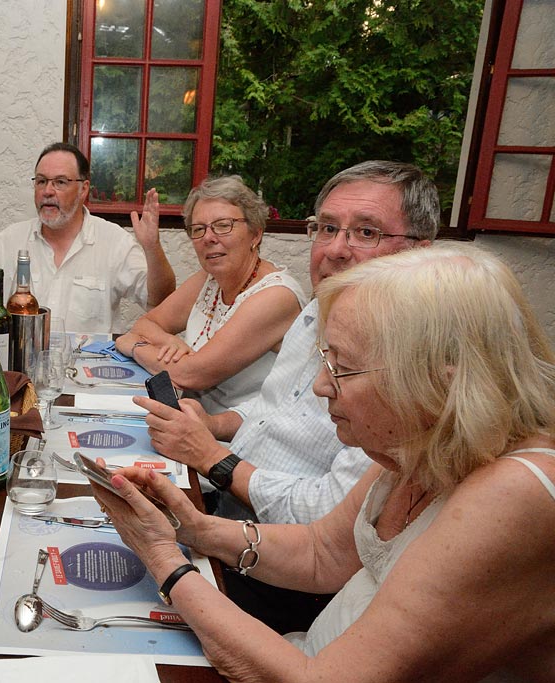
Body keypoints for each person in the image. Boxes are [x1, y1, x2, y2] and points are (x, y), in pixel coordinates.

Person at [89, 242, 555, 682]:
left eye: (342, 368)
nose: (320, 386)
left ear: (440, 385)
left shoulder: (514, 493)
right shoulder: (427, 439)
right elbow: (323, 552)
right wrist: (192, 527)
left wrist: (164, 559)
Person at [135, 160, 438, 633]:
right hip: (224, 512)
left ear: (420, 251)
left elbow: (326, 526)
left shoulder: (410, 369)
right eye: (327, 228)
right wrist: (214, 427)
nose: (336, 250)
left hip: (283, 576)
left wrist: (215, 458)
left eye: (366, 233)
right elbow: (276, 405)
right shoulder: (319, 310)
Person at [114, 175, 306, 413]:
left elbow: (191, 374)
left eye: (223, 225)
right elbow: (147, 323)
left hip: (241, 435)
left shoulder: (276, 296)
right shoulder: (209, 280)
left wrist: (133, 346)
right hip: (193, 417)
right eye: (198, 229)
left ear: (255, 234)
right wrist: (170, 341)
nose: (209, 238)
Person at [0, 142, 177, 334]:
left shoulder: (113, 241)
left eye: (60, 182)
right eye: (41, 181)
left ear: (84, 189)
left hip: (87, 377)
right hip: (22, 372)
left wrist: (152, 247)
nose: (47, 191)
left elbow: (160, 297)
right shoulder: (12, 238)